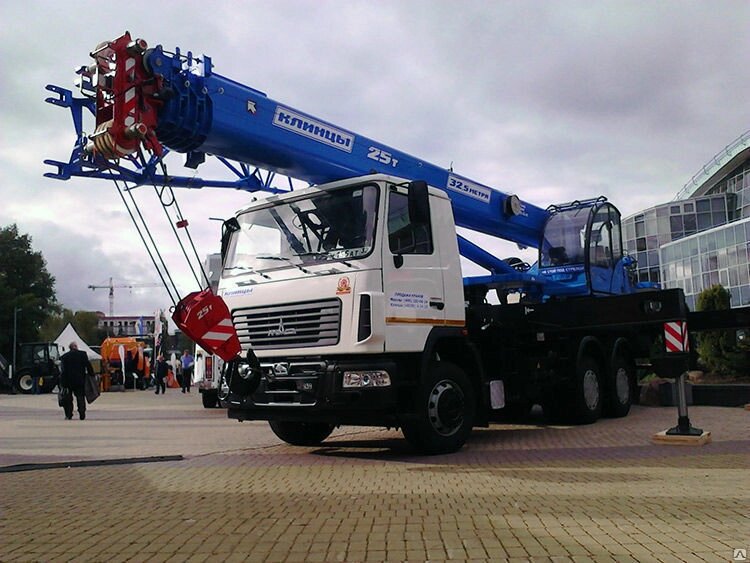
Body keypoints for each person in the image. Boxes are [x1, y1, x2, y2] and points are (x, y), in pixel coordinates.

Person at [60, 341, 95, 420]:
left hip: (68, 381)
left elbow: (63, 371)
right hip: (80, 380)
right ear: (76, 346)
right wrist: (92, 375)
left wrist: (62, 383)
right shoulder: (83, 354)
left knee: (68, 399)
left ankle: (69, 414)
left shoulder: (65, 356)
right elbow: (88, 365)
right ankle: (82, 413)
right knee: (80, 397)